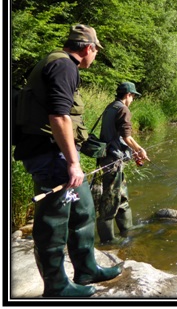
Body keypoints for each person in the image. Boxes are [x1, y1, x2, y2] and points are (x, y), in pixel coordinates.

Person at [14, 25, 123, 297]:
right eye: (96, 51)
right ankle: (56, 286)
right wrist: (74, 164)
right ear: (89, 48)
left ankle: (86, 269)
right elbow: (59, 117)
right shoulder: (64, 67)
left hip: (56, 153)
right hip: (51, 155)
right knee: (53, 220)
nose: (95, 57)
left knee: (83, 209)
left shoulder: (58, 63)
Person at [95, 82, 149, 243]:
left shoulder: (111, 106)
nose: (133, 99)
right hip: (113, 160)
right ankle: (108, 240)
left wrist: (130, 151)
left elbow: (116, 136)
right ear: (128, 95)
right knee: (110, 200)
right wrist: (140, 150)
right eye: (133, 96)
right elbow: (127, 137)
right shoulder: (123, 109)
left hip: (111, 157)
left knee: (122, 196)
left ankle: (127, 229)